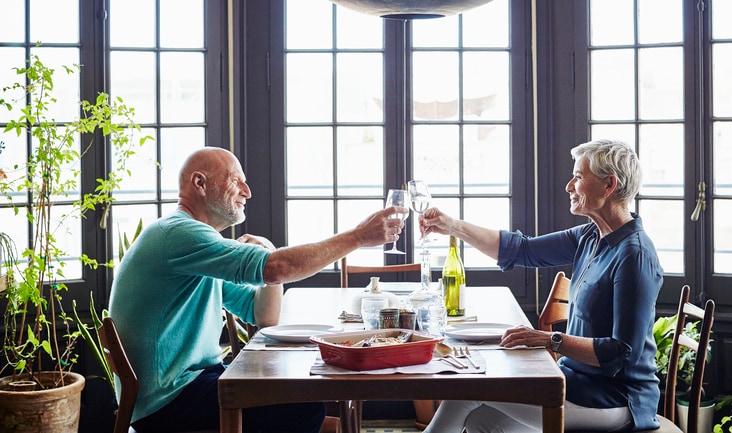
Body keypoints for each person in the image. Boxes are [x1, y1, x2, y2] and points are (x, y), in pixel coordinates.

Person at [108, 146, 407, 433]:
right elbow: (275, 269)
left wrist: (269, 250)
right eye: (236, 180)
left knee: (298, 398)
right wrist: (358, 237)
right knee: (303, 408)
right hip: (168, 399)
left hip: (183, 386)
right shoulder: (178, 233)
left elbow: (264, 315)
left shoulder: (195, 245)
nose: (247, 191)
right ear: (199, 183)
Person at [419, 139, 664, 433]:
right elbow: (522, 250)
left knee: (467, 393)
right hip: (575, 381)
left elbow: (620, 352)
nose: (569, 186)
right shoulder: (591, 236)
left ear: (609, 185)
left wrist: (549, 339)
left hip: (616, 400)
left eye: (579, 177)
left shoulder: (634, 255)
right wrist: (452, 226)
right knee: (481, 421)